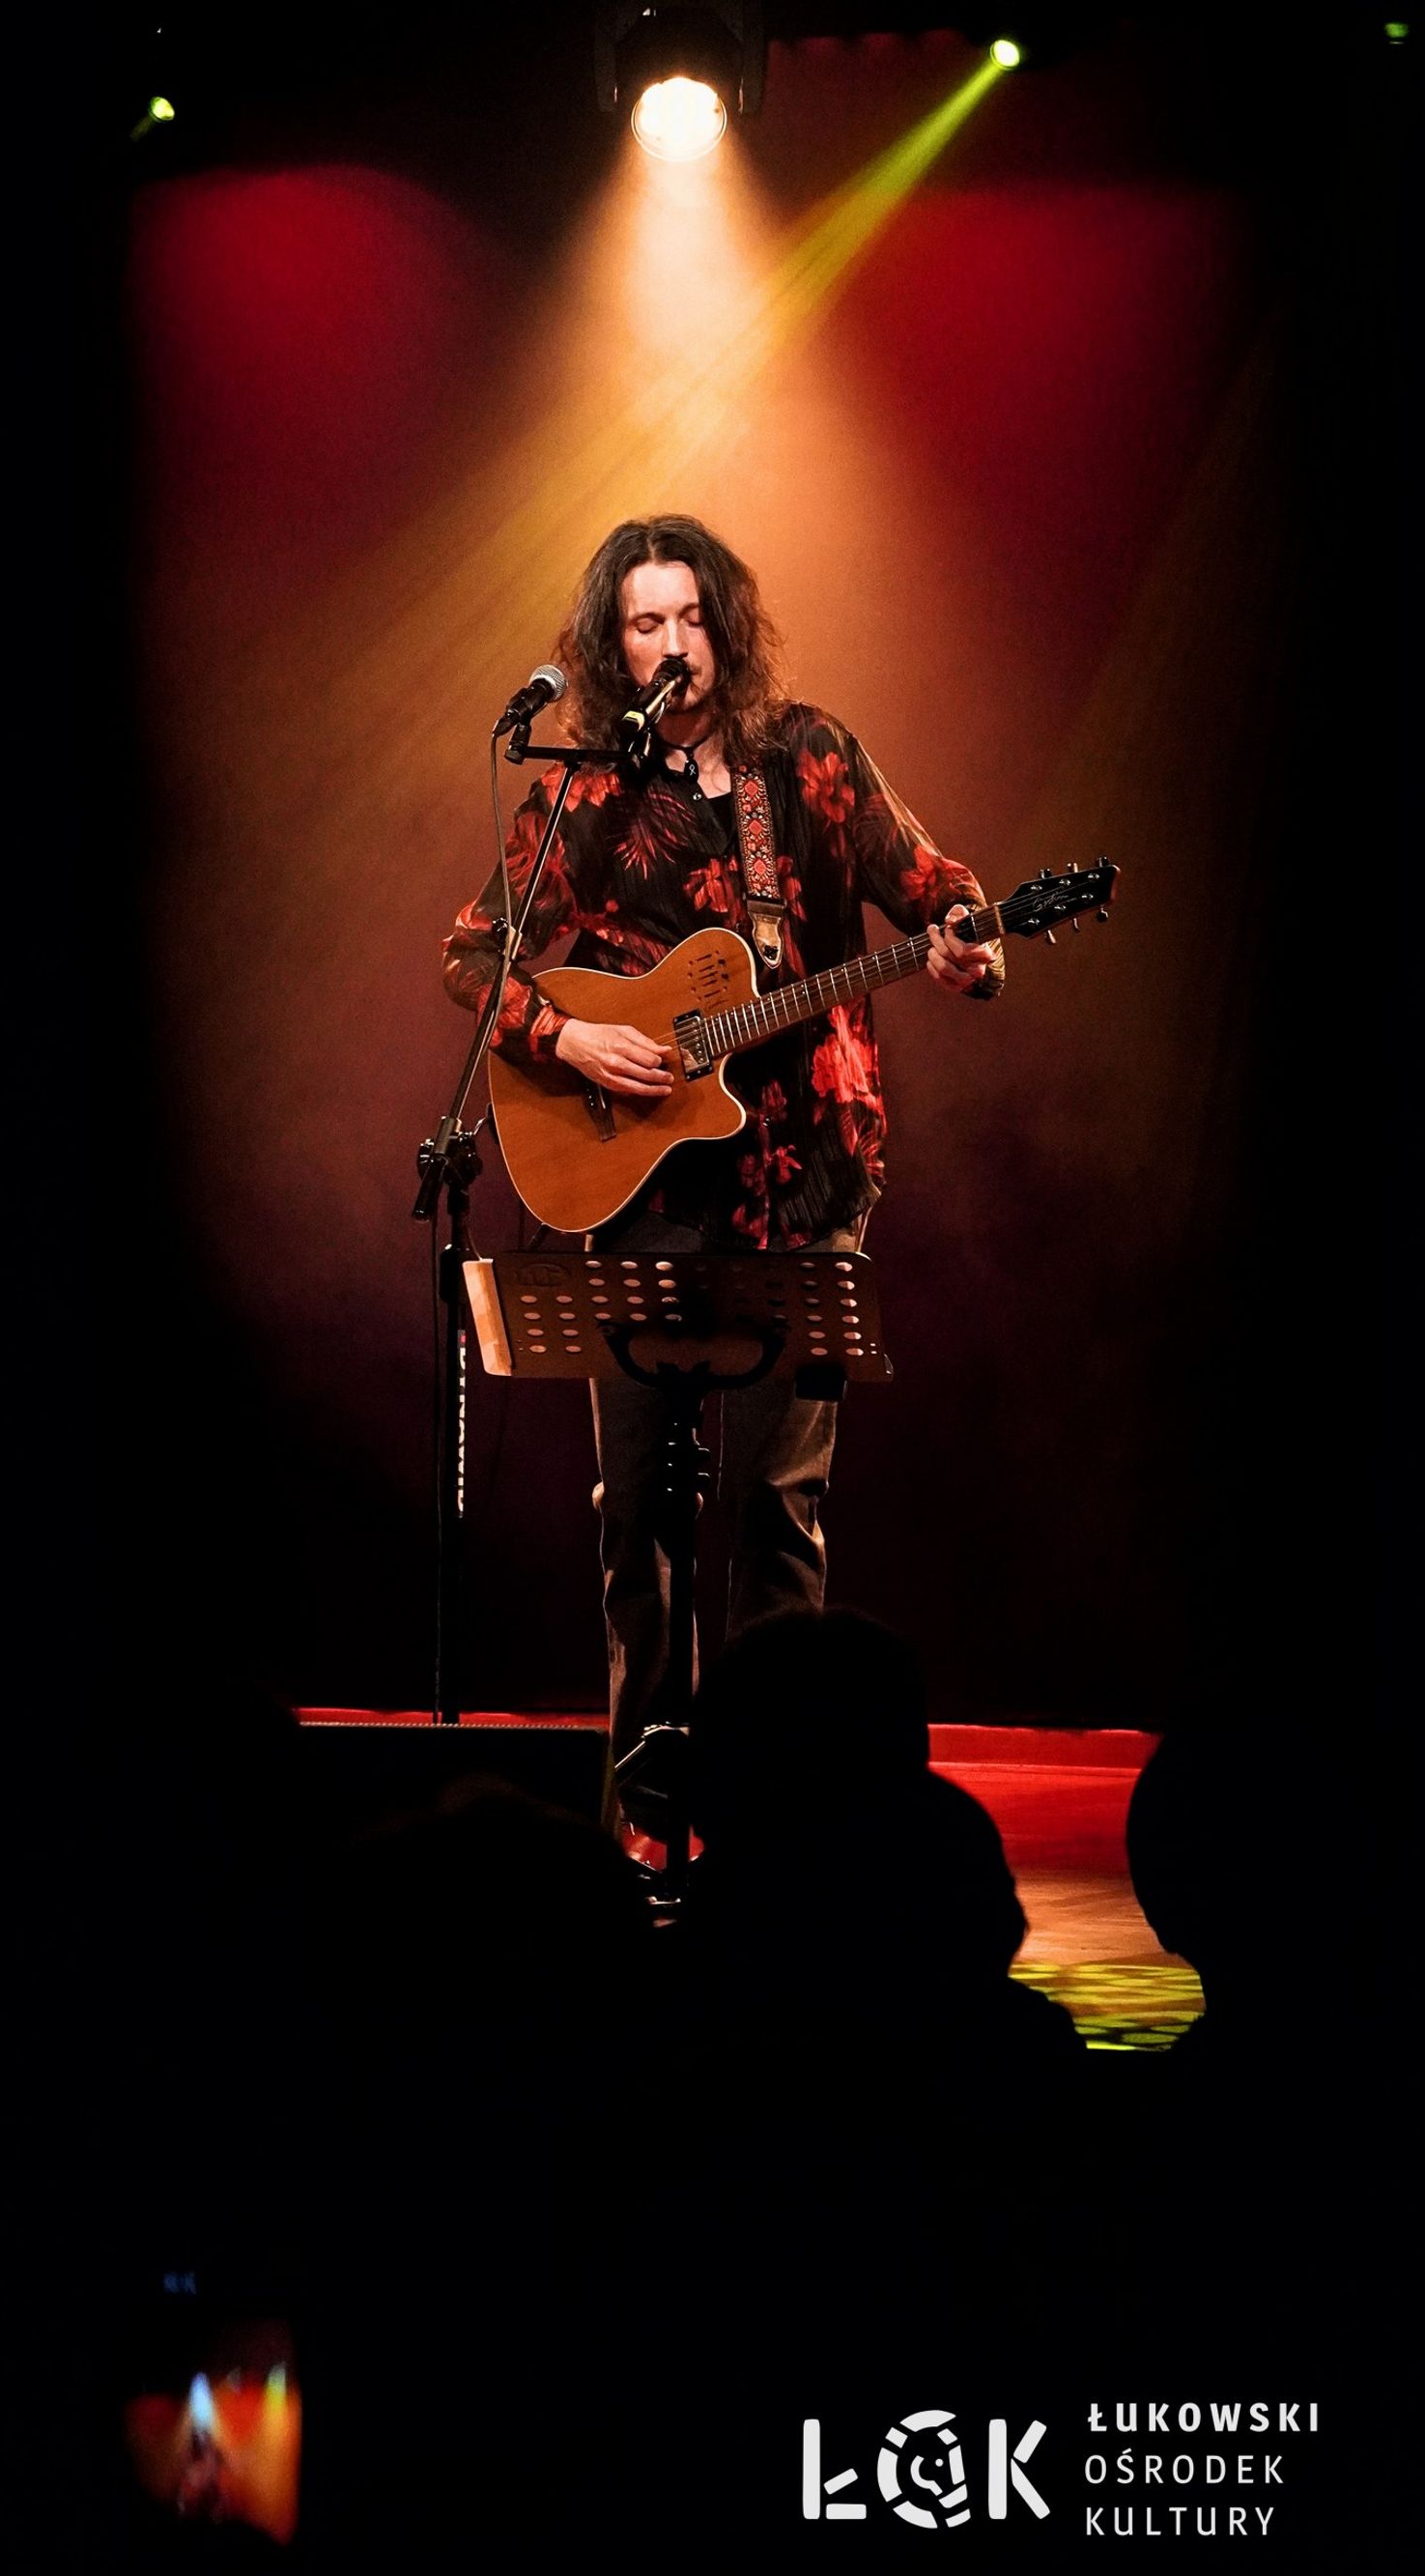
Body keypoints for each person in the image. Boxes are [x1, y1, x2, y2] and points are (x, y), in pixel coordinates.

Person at [443, 514, 1004, 1773]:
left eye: (693, 617)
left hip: (802, 1189)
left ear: (726, 626)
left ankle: (777, 1798)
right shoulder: (587, 794)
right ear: (613, 644)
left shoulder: (808, 756)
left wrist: (971, 943)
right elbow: (473, 955)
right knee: (634, 1512)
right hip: (642, 1190)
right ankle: (640, 1798)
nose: (675, 644)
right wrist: (574, 1041)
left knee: (772, 1513)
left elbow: (939, 891)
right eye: (648, 622)